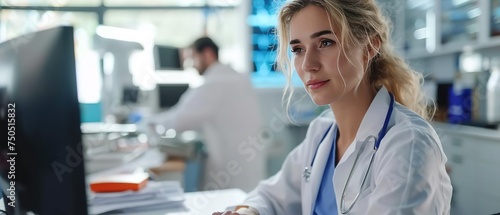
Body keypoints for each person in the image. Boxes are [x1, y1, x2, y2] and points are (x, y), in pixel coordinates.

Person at [213, 0, 452, 214]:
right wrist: (250, 212)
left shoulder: (408, 143)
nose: (308, 64)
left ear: (369, 48)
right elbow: (273, 195)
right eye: (298, 49)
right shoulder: (322, 131)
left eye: (325, 42)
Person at [148, 37, 265, 192]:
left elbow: (179, 120)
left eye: (193, 59)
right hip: (248, 166)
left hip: (230, 170)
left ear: (208, 54)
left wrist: (148, 122)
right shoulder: (238, 78)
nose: (192, 66)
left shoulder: (214, 84)